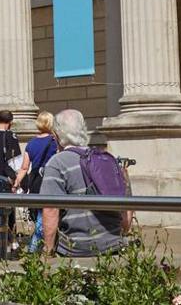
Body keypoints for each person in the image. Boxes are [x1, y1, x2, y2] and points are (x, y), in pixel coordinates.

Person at [38, 109, 130, 258]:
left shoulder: (57, 163)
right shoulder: (106, 159)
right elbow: (126, 210)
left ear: (56, 135)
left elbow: (50, 209)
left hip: (75, 250)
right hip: (114, 247)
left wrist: (48, 251)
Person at [10, 111, 59, 253]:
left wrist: (16, 182)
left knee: (39, 212)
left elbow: (24, 167)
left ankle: (38, 246)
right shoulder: (54, 141)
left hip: (35, 181)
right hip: (50, 179)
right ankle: (34, 247)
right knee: (45, 213)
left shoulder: (31, 143)